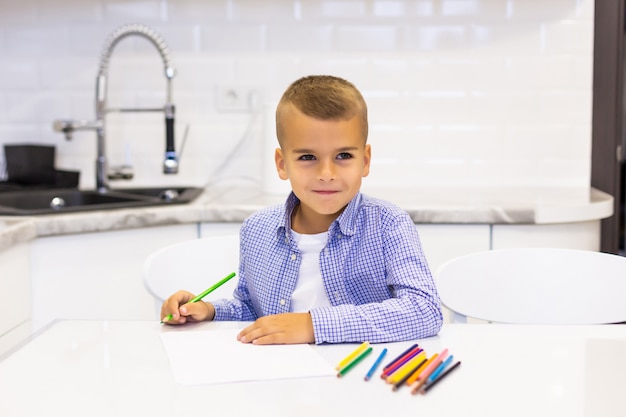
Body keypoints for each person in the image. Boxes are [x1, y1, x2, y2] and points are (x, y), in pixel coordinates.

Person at [161, 75, 443, 344]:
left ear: (365, 160)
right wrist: (209, 310)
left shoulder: (388, 224)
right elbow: (251, 310)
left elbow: (424, 311)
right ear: (282, 164)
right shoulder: (256, 229)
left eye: (343, 156)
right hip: (282, 378)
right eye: (308, 157)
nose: (327, 173)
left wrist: (313, 325)